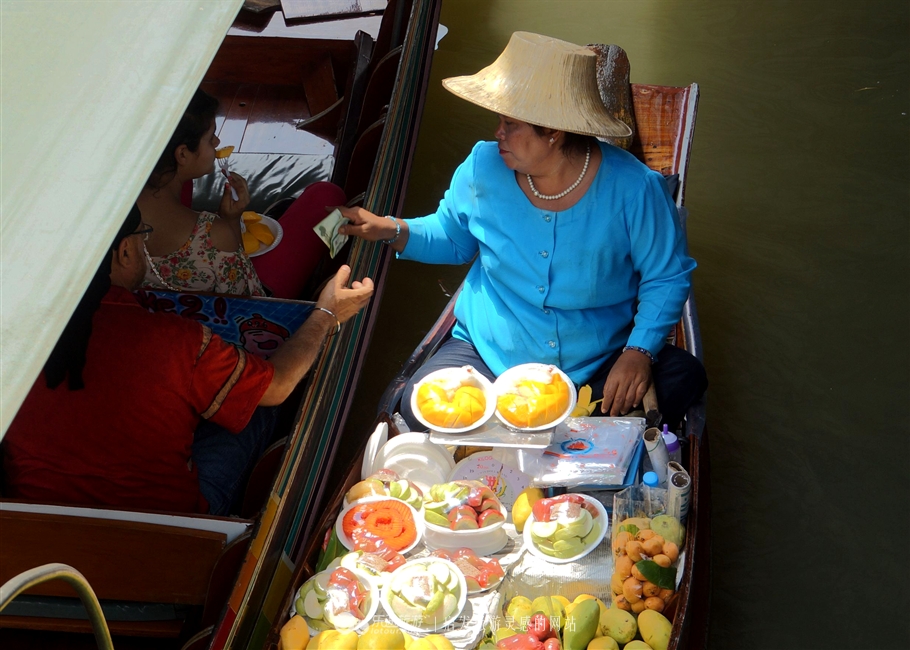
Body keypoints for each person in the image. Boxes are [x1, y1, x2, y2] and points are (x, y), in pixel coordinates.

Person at [337, 32, 707, 430]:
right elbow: (453, 238)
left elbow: (666, 276)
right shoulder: (482, 167)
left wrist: (639, 352)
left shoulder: (635, 189)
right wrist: (390, 229)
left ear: (553, 132)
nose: (498, 132)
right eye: (500, 121)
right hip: (487, 354)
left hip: (594, 363)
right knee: (412, 405)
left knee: (683, 376)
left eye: (510, 124)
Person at [2, 205, 373, 515]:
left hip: (36, 517)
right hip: (171, 526)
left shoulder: (11, 340)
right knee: (260, 402)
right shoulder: (178, 340)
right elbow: (276, 386)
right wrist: (326, 315)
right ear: (125, 252)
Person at [138, 89, 264, 296]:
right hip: (207, 325)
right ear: (182, 153)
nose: (217, 143)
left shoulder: (111, 211)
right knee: (323, 193)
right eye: (210, 137)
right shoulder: (213, 236)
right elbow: (244, 299)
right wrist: (230, 222)